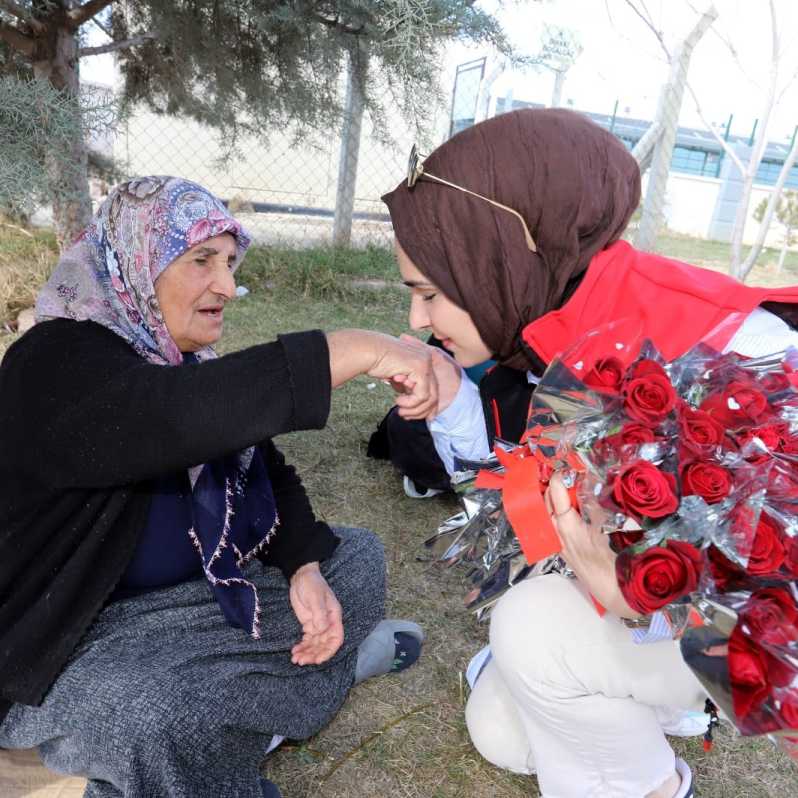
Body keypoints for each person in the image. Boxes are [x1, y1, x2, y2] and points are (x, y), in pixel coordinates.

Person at [380, 108, 798, 798]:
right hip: (678, 623)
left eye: (429, 293)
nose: (417, 321)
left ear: (501, 259)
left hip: (751, 648)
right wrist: (455, 396)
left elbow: (775, 650)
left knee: (530, 632)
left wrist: (640, 605)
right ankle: (653, 704)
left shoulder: (735, 356)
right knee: (502, 728)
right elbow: (527, 511)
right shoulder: (567, 318)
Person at [0, 176, 435, 798]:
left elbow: (265, 470)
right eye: (202, 260)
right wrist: (360, 348)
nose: (228, 286)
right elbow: (174, 416)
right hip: (81, 635)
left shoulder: (177, 360)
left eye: (230, 263)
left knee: (355, 559)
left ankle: (250, 716)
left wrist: (302, 565)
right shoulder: (52, 361)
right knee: (148, 713)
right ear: (134, 259)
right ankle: (264, 712)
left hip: (193, 605)